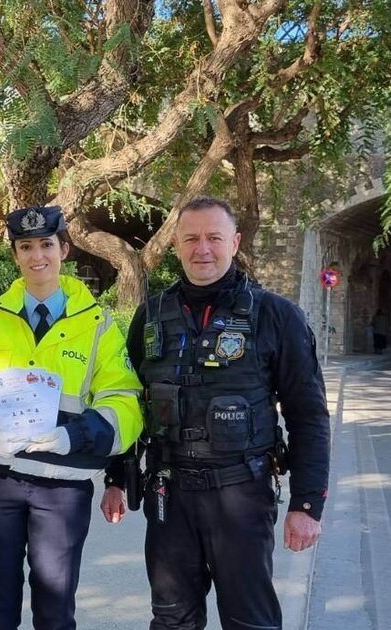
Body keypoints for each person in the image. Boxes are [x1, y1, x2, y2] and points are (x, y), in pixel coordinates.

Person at [100, 196, 329, 630]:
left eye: (213, 238)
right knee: (172, 620)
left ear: (234, 242)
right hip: (169, 495)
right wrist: (115, 477)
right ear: (176, 245)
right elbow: (128, 402)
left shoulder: (276, 316)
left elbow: (309, 416)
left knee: (250, 621)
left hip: (241, 494)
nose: (202, 249)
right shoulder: (150, 316)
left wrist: (307, 503)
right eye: (190, 239)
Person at [0, 205, 144, 630]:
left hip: (61, 486)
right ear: (15, 255)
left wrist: (75, 436)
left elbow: (124, 400)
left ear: (64, 249)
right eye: (25, 247)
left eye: (46, 245)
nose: (37, 256)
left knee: (55, 610)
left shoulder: (98, 325)